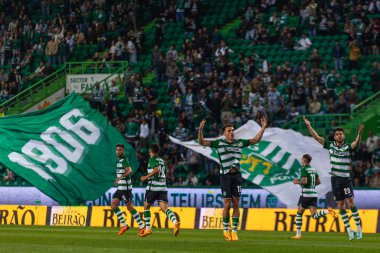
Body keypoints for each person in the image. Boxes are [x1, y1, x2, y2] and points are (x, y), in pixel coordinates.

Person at [198, 117, 267, 241]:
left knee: (236, 204)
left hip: (237, 177)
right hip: (225, 176)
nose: (231, 132)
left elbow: (255, 140)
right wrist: (200, 130)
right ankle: (225, 230)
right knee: (227, 204)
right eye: (229, 130)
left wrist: (263, 127)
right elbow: (202, 142)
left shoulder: (239, 142)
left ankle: (234, 231)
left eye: (233, 130)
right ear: (224, 133)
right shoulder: (219, 143)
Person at [303, 116, 364, 240]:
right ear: (334, 136)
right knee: (340, 206)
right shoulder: (330, 145)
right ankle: (349, 231)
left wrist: (359, 133)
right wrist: (309, 125)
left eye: (341, 134)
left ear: (343, 136)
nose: (339, 136)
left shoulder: (347, 147)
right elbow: (317, 138)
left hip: (345, 179)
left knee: (351, 204)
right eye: (337, 134)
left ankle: (358, 229)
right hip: (335, 180)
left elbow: (355, 143)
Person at [292, 154, 338, 239]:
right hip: (314, 194)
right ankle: (328, 211)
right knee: (314, 215)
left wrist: (297, 181)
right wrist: (311, 185)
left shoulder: (304, 169)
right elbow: (318, 182)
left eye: (302, 160)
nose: (301, 161)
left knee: (299, 213)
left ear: (305, 160)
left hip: (306, 194)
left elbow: (305, 181)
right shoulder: (313, 169)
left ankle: (298, 235)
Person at [140, 143, 180, 237]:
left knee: (146, 207)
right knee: (164, 208)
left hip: (153, 187)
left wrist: (146, 177)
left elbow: (156, 170)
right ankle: (175, 222)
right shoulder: (162, 160)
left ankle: (148, 229)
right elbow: (164, 172)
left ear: (150, 151)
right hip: (163, 187)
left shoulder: (152, 160)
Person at [111, 144, 145, 236]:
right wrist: (117, 180)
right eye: (117, 150)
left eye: (120, 150)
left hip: (125, 188)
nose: (118, 151)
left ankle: (142, 226)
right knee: (113, 204)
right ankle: (124, 225)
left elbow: (129, 170)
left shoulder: (124, 160)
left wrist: (119, 178)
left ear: (123, 151)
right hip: (120, 188)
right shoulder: (118, 161)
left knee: (130, 208)